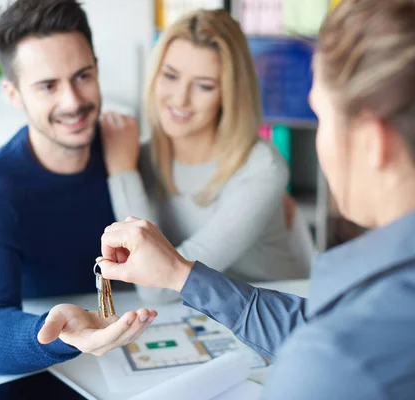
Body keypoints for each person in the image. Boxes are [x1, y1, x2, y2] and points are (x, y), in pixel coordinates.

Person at [96, 0, 415, 397]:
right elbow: (315, 330)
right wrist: (181, 274)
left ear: (373, 143)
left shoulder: (330, 364)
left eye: (321, 118)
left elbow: (327, 353)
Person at [0, 0, 156, 375]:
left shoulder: (125, 153)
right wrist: (58, 332)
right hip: (54, 366)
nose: (73, 102)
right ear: (14, 95)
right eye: (48, 86)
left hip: (136, 348)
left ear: (97, 70)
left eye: (82, 76)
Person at [99, 9, 311, 303]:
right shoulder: (144, 158)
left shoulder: (261, 167)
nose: (180, 98)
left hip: (273, 313)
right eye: (170, 76)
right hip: (197, 318)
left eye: (204, 86)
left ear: (229, 93)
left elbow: (157, 288)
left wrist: (122, 171)